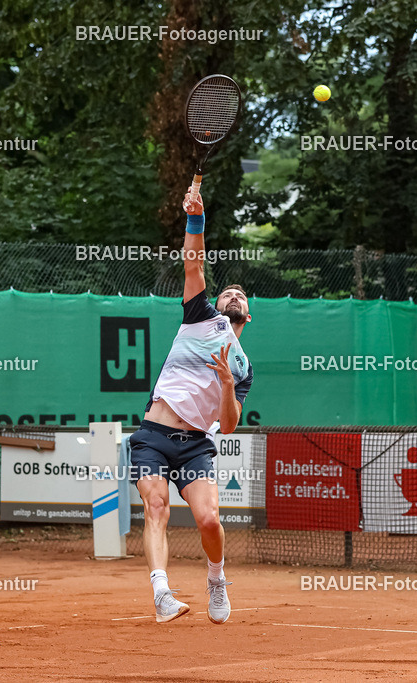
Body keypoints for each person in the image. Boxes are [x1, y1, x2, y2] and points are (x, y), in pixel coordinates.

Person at [129, 186, 253, 624]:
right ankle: (162, 593)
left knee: (209, 520)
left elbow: (230, 425)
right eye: (228, 292)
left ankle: (216, 578)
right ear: (216, 304)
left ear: (247, 316)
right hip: (153, 436)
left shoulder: (242, 368)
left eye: (240, 296)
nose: (233, 295)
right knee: (156, 506)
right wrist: (195, 218)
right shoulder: (200, 315)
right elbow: (194, 261)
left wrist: (226, 384)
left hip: (196, 445)